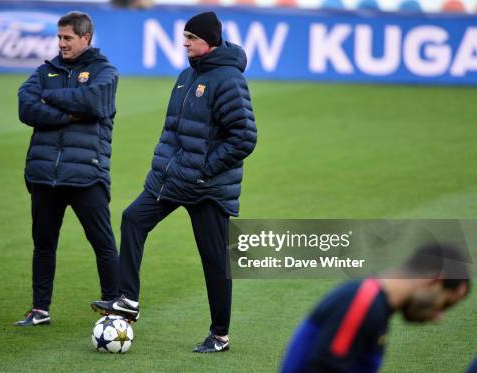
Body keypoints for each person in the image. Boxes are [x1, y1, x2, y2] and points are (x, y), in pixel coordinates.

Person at [92, 11, 257, 352]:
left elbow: (244, 137)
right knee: (133, 219)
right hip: (171, 179)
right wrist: (166, 167)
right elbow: (174, 130)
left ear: (209, 42)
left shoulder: (228, 80)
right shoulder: (186, 76)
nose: (185, 43)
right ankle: (128, 300)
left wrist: (203, 169)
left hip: (205, 186)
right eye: (184, 36)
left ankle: (220, 335)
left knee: (213, 262)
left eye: (191, 38)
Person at [15, 11, 120, 326]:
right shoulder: (45, 71)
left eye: (67, 38)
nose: (61, 44)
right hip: (45, 173)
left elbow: (92, 103)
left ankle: (116, 309)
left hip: (87, 173)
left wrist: (49, 99)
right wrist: (67, 112)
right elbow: (25, 105)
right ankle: (39, 310)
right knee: (44, 244)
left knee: (102, 243)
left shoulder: (105, 72)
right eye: (59, 38)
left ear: (85, 38)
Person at [281, 243, 472, 372]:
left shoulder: (377, 307)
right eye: (445, 304)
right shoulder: (363, 303)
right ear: (434, 280)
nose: (439, 316)